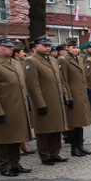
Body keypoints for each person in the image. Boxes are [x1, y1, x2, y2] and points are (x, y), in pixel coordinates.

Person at [24, 37, 69, 165]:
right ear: (37, 46)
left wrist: (64, 96)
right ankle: (45, 155)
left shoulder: (53, 60)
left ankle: (55, 154)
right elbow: (32, 85)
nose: (48, 48)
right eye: (45, 45)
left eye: (49, 45)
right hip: (44, 101)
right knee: (44, 130)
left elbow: (59, 80)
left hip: (56, 100)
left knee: (56, 128)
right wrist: (39, 104)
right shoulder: (31, 61)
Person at [0, 37, 33, 177]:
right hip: (4, 107)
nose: (11, 49)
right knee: (3, 139)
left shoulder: (16, 63)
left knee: (16, 137)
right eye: (8, 47)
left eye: (12, 47)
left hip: (18, 107)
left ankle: (15, 164)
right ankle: (4, 166)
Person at [58, 38, 91, 157]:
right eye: (73, 47)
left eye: (77, 47)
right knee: (73, 122)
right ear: (67, 48)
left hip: (81, 94)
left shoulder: (79, 58)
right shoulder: (63, 60)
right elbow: (63, 80)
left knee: (80, 121)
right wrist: (68, 96)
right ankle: (74, 148)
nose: (76, 50)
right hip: (72, 94)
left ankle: (80, 146)